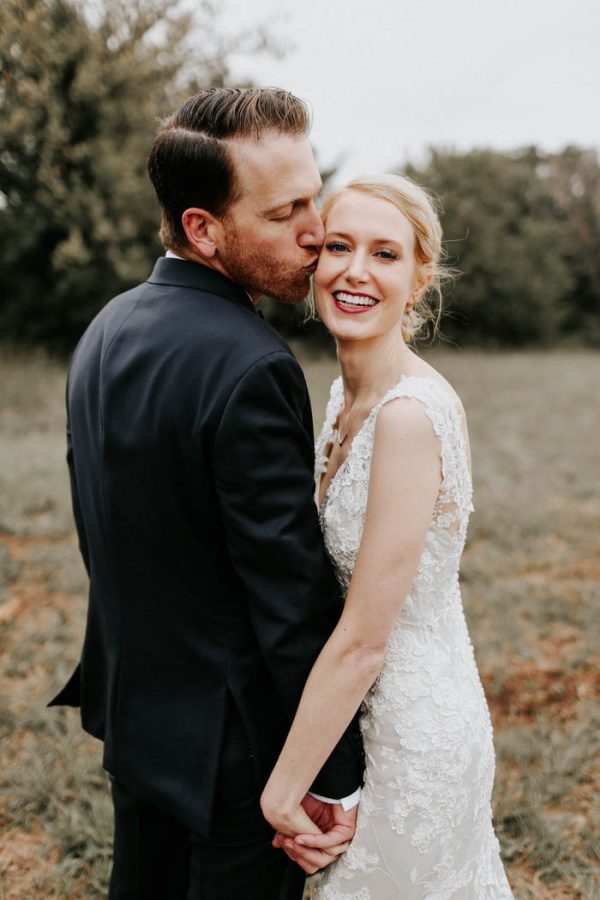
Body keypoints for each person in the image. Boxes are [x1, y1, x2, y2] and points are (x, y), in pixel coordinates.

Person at [48, 87, 364, 900]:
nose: (316, 229)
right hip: (233, 753)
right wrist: (332, 774)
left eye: (315, 195)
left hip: (133, 717)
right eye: (286, 210)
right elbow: (287, 592)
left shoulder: (107, 327)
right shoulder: (252, 364)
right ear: (203, 229)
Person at [260, 174, 515, 897]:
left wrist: (286, 786)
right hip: (358, 718)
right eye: (339, 246)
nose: (355, 271)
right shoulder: (347, 394)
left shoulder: (406, 417)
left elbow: (366, 637)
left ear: (420, 277)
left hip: (413, 736)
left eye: (385, 254)